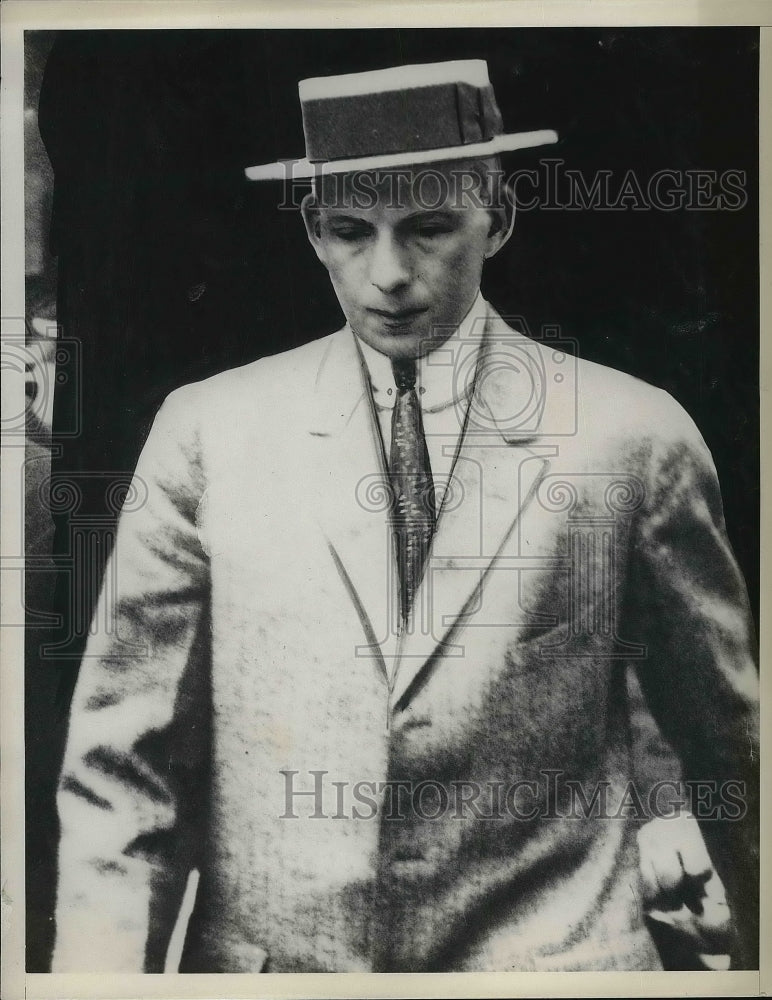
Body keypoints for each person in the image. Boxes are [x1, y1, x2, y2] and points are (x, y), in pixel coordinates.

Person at [52, 59, 759, 973]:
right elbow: (120, 775)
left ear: (498, 220)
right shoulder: (207, 433)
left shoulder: (633, 435)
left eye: (429, 228)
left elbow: (732, 748)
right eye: (352, 230)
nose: (388, 273)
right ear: (312, 230)